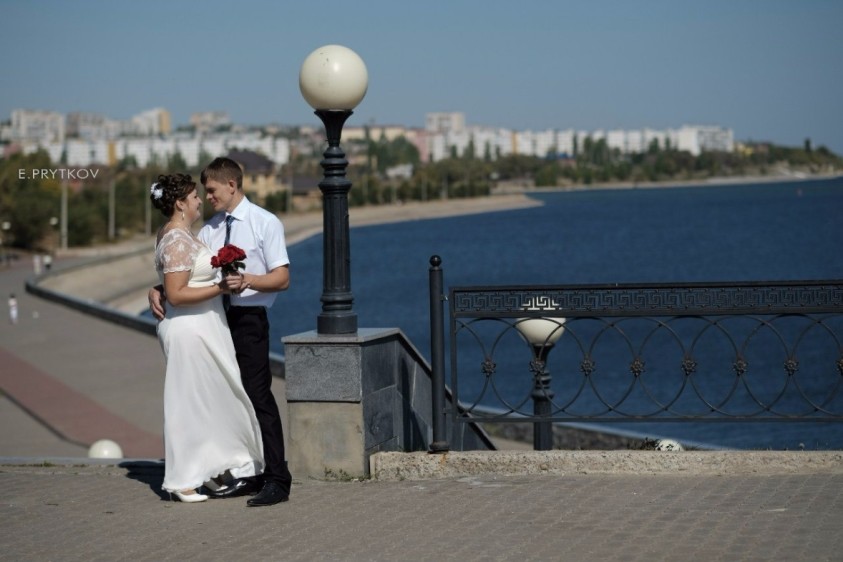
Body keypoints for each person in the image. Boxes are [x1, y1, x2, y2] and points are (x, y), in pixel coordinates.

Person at [149, 157, 292, 507]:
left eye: (211, 190)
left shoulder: (264, 222)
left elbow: (282, 278)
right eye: (203, 192)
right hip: (214, 319)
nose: (208, 197)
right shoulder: (209, 230)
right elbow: (188, 272)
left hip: (248, 319)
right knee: (229, 397)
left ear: (232, 184)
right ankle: (248, 472)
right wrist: (158, 288)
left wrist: (248, 280)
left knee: (257, 395)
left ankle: (277, 478)